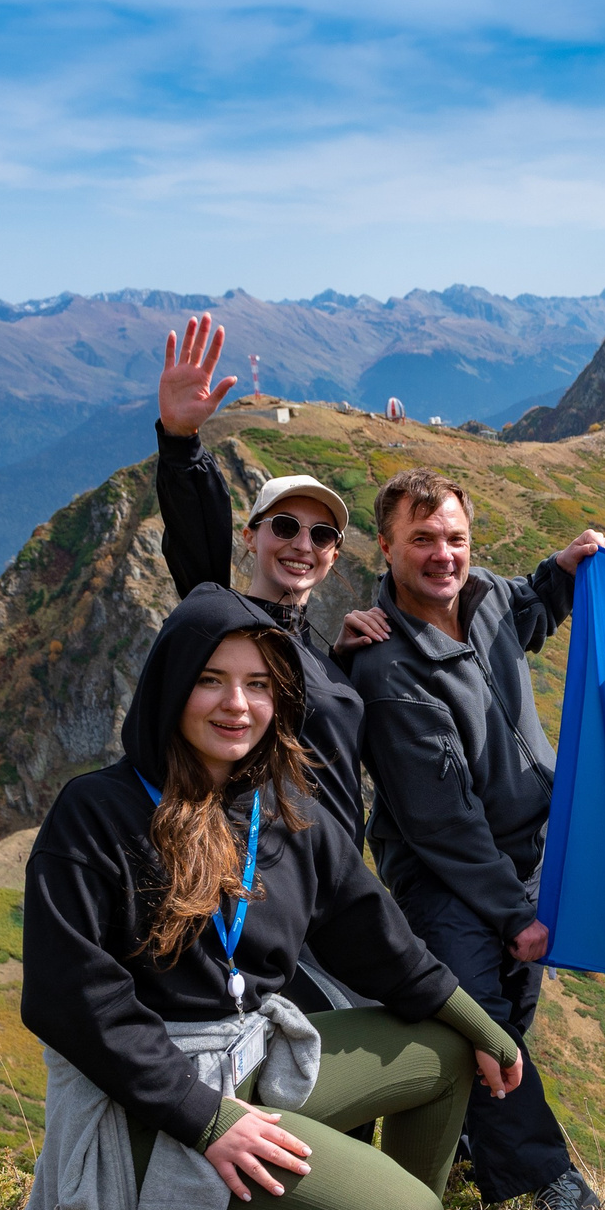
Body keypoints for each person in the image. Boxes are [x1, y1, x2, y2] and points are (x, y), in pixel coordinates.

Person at [0, 584, 525, 1210]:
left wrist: (481, 1025)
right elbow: (71, 999)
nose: (236, 705)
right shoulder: (97, 812)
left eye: (257, 684)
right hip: (147, 1102)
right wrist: (208, 1119)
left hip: (246, 1053)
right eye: (210, 681)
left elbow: (379, 941)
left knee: (442, 1047)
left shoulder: (284, 816)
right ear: (169, 688)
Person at [337, 469, 605, 1210]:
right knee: (481, 1024)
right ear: (386, 546)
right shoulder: (388, 666)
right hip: (448, 878)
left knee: (511, 1015)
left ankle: (455, 1145)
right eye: (421, 539)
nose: (442, 554)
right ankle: (537, 1184)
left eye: (454, 537)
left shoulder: (485, 597)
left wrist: (563, 570)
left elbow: (525, 609)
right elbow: (443, 824)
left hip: (530, 855)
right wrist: (510, 913)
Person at [152, 312, 368, 836]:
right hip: (260, 878)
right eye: (287, 525)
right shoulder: (222, 622)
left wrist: (337, 662)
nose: (302, 544)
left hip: (332, 883)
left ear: (334, 554)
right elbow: (196, 539)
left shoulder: (325, 654)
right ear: (250, 536)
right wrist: (182, 444)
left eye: (322, 536)